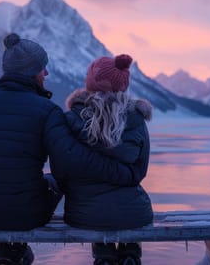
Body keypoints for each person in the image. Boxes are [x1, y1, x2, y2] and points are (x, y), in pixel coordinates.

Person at [0, 33, 147, 265]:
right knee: (52, 182)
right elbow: (70, 159)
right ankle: (13, 253)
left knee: (4, 194)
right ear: (31, 72)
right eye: (43, 69)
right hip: (28, 213)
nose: (47, 73)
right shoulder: (46, 111)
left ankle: (8, 254)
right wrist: (125, 174)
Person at [62, 54, 154, 265]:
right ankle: (130, 251)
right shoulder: (137, 119)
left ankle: (104, 255)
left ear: (93, 81)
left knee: (97, 215)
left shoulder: (72, 118)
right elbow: (141, 170)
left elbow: (64, 170)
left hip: (83, 212)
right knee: (126, 216)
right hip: (135, 212)